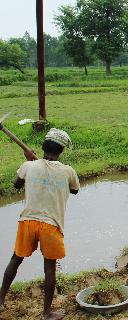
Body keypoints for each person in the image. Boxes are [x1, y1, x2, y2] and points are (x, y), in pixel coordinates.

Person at [0, 128, 79, 320]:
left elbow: (17, 184)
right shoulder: (68, 171)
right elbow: (74, 190)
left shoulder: (29, 166)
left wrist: (31, 163)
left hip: (27, 221)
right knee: (49, 267)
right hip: (51, 225)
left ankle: (0, 301)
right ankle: (46, 313)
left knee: (16, 259)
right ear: (61, 151)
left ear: (44, 147)